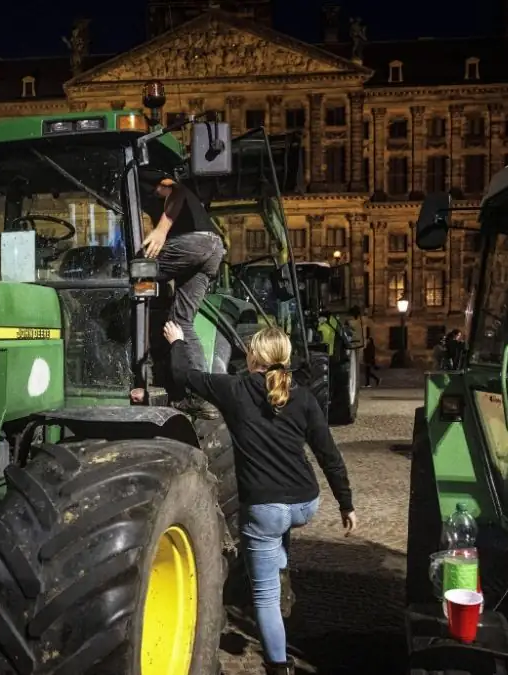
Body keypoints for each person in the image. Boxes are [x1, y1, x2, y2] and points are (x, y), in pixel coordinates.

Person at [165, 321, 356, 675]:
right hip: (305, 503)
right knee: (278, 527)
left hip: (266, 508)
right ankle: (279, 561)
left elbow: (182, 375)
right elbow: (328, 454)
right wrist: (347, 504)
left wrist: (177, 341)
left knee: (264, 595)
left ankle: (278, 666)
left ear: (252, 356)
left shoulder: (235, 389)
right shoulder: (304, 398)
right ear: (284, 358)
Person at [139, 172, 226, 419]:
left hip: (195, 242)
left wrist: (160, 231)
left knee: (133, 273)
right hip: (213, 248)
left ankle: (134, 371)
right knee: (181, 322)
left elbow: (175, 190)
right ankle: (200, 396)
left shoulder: (143, 178)